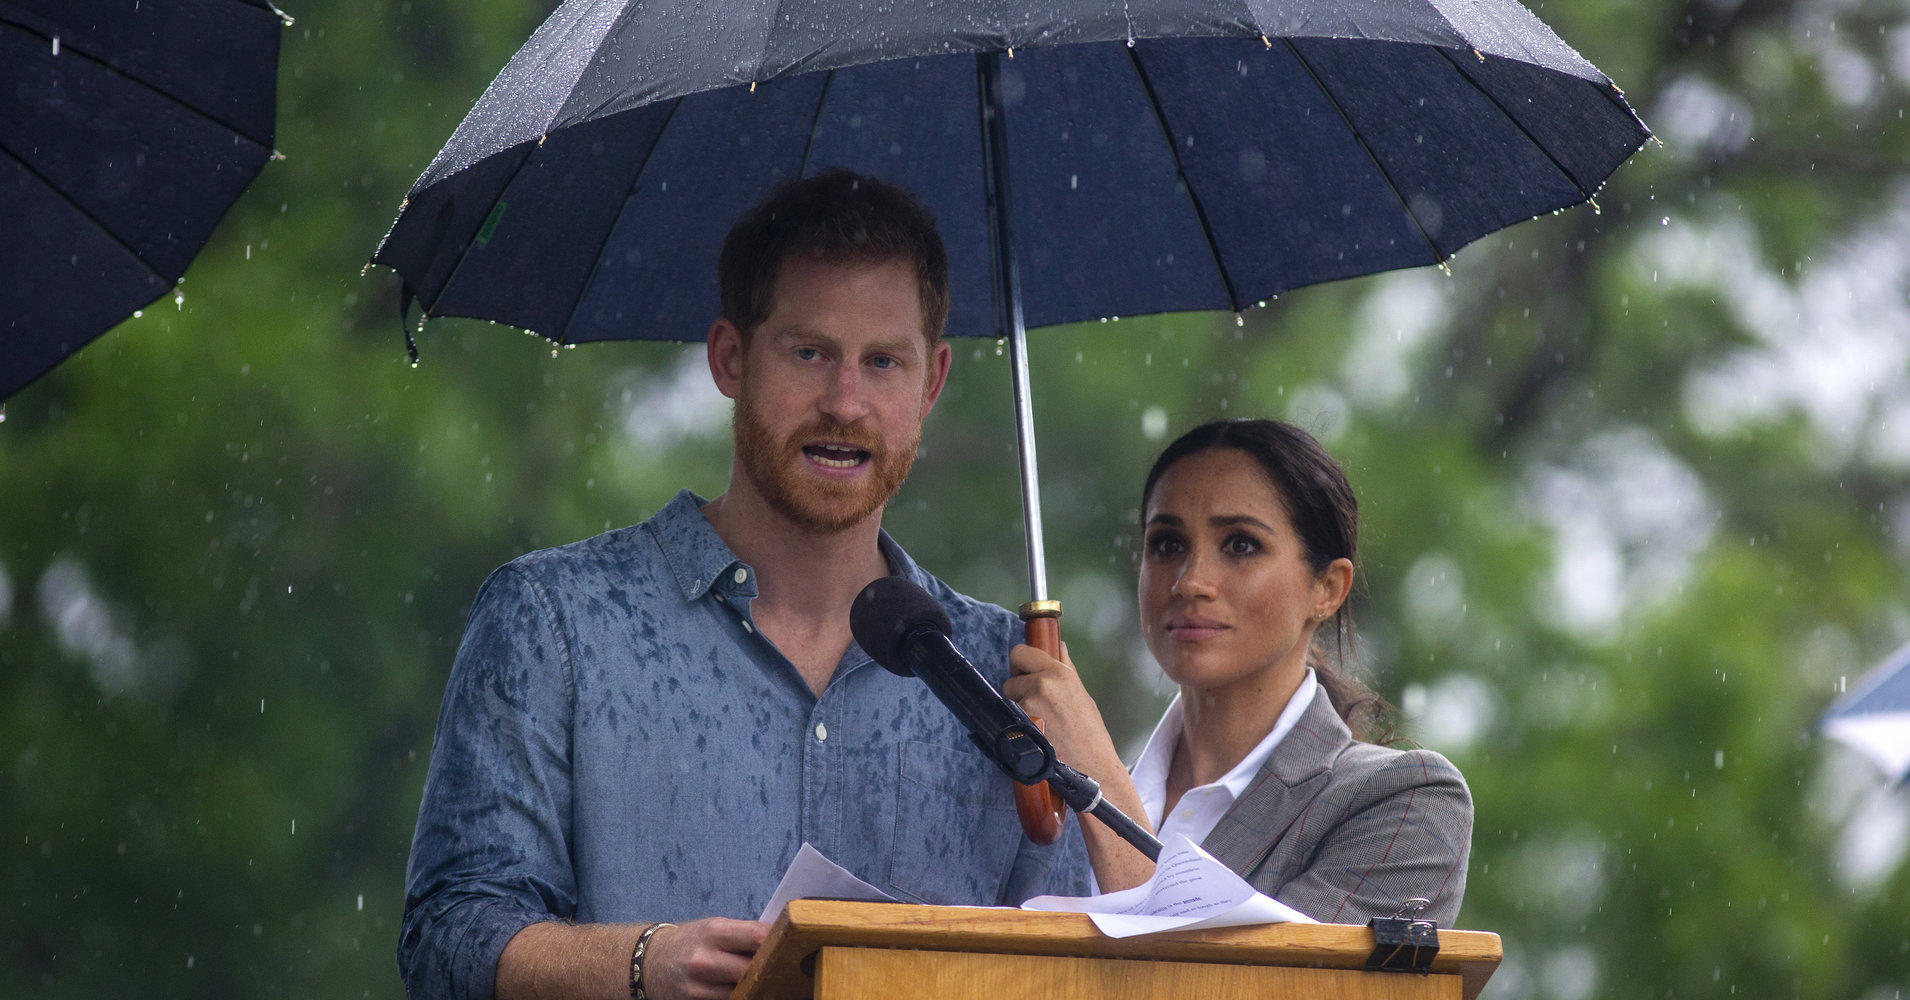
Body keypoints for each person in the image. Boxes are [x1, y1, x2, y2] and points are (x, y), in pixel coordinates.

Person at [398, 170, 1086, 1000]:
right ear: (730, 358)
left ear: (931, 382)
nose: (845, 402)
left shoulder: (1001, 678)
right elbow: (447, 941)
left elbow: (1074, 970)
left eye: (882, 362)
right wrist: (641, 962)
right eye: (809, 353)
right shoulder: (553, 621)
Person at [1005, 418, 1471, 925]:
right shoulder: (1046, 798)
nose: (1190, 581)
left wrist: (1101, 787)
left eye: (1241, 545)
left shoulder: (1405, 804)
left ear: (1328, 589)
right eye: (1167, 545)